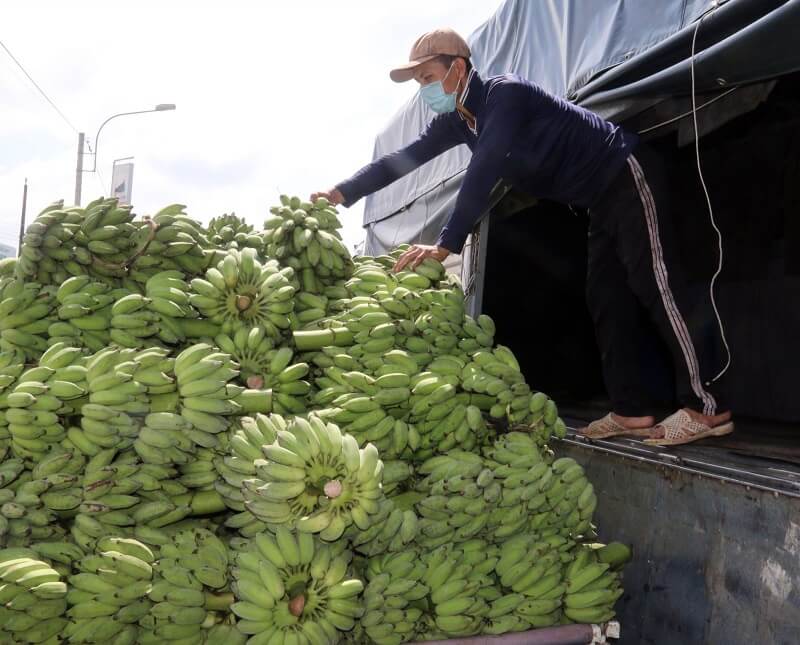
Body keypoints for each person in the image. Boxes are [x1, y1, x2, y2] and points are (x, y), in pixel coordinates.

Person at [311, 28, 733, 446]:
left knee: (656, 282)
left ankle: (706, 408)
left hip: (625, 172)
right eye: (419, 83)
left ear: (457, 68)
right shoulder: (459, 123)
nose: (424, 90)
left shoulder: (504, 96)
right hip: (599, 200)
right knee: (606, 298)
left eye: (427, 77)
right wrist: (342, 192)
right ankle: (631, 411)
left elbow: (485, 168)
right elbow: (401, 161)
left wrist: (446, 243)